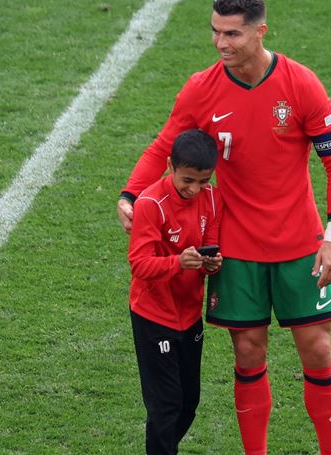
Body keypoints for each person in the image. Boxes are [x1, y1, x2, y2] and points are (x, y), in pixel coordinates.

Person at [118, 0, 331, 454]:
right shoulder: (202, 88)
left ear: (260, 31)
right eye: (215, 32)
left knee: (318, 351)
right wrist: (130, 192)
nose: (221, 43)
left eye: (232, 34)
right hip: (236, 250)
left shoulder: (300, 84)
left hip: (300, 245)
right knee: (248, 353)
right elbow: (166, 145)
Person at [127, 129, 224, 455]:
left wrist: (211, 264)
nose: (194, 189)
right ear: (169, 166)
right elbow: (139, 264)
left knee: (188, 403)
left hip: (189, 314)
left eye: (203, 181)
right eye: (187, 180)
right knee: (165, 406)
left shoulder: (212, 198)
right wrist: (177, 263)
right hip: (154, 317)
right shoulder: (150, 204)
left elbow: (210, 241)